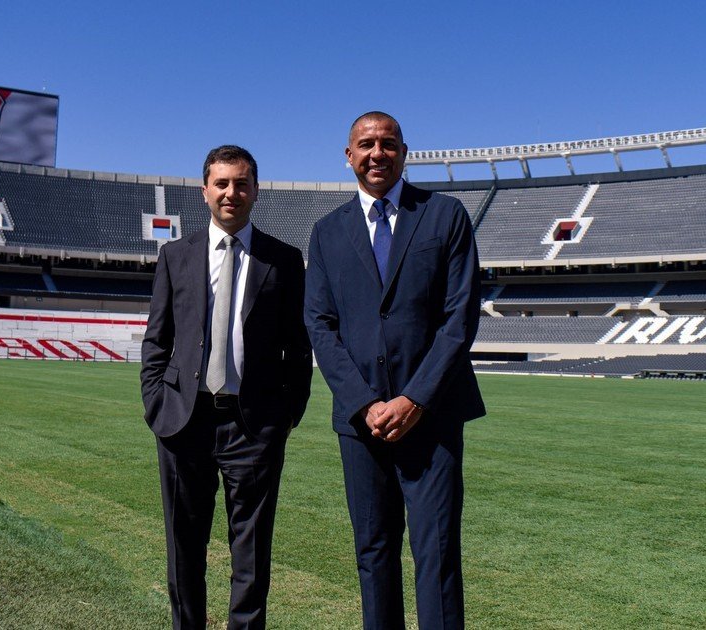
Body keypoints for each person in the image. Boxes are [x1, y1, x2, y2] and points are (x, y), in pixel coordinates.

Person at [305, 112, 485, 629]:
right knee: (374, 553)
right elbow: (319, 326)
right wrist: (365, 403)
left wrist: (415, 399)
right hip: (361, 425)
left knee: (437, 556)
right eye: (366, 145)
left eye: (388, 144)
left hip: (433, 420)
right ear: (348, 155)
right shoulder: (327, 232)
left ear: (405, 152)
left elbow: (459, 318)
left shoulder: (444, 215)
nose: (376, 153)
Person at [141, 145, 312, 630]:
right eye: (222, 183)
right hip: (183, 421)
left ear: (255, 191)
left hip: (253, 426)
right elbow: (158, 340)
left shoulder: (283, 259)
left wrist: (285, 416)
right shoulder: (176, 255)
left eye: (241, 183)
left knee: (252, 558)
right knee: (184, 551)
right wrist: (157, 404)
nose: (231, 192)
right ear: (205, 192)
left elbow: (298, 348)